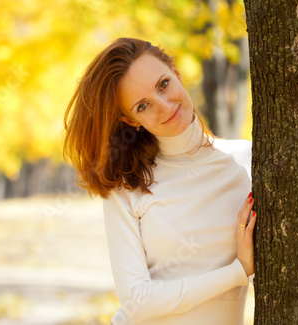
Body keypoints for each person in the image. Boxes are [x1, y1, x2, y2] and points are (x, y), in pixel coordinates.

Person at [63, 37, 256, 325]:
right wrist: (238, 271)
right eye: (143, 106)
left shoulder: (247, 161)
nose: (165, 107)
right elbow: (137, 302)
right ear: (130, 121)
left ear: (176, 73)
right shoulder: (127, 187)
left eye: (163, 84)